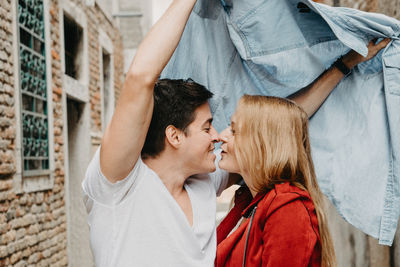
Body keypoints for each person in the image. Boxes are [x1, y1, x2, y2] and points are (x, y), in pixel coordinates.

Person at [81, 0, 390, 265]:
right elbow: (139, 77)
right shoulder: (118, 185)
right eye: (206, 127)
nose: (217, 135)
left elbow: (275, 126)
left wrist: (343, 67)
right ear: (175, 136)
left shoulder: (202, 182)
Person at [216, 95, 335, 267]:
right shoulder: (249, 203)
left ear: (263, 144)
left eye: (234, 131)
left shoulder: (287, 207)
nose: (221, 136)